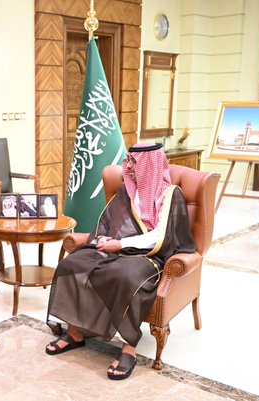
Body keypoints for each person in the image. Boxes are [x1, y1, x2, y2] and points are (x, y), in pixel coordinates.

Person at [44, 143, 195, 380]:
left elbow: (160, 236)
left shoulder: (170, 195)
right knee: (71, 264)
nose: (128, 166)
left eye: (134, 162)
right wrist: (103, 238)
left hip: (149, 255)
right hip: (116, 248)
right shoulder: (126, 190)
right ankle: (75, 333)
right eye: (128, 160)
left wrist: (121, 244)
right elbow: (106, 221)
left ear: (149, 164)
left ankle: (128, 349)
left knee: (127, 277)